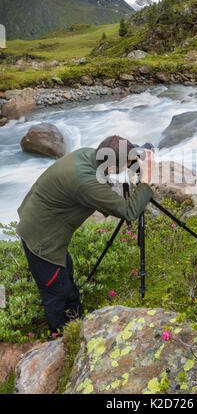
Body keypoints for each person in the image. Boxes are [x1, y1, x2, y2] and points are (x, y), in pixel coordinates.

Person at [16, 135, 154, 334]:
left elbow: (104, 179)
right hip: (41, 240)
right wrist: (146, 180)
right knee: (56, 292)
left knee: (67, 280)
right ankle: (61, 338)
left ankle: (78, 324)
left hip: (38, 220)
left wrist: (132, 158)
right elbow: (129, 212)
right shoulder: (86, 184)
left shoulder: (88, 154)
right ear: (114, 167)